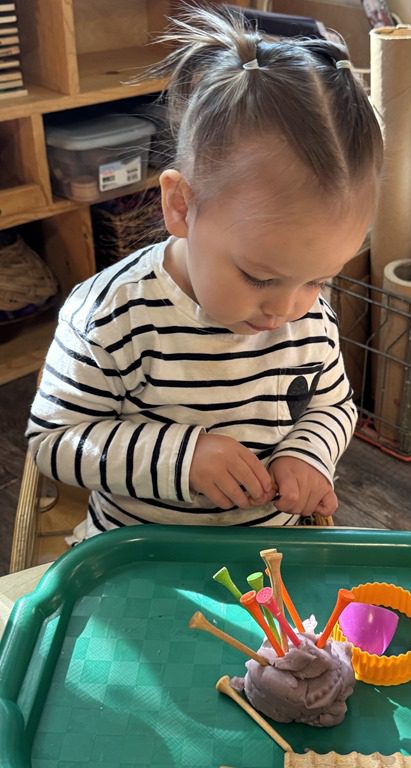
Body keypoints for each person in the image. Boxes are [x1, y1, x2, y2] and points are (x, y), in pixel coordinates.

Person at [26, 6, 383, 539]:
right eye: (260, 278)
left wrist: (307, 454)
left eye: (318, 279)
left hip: (272, 552)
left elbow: (332, 405)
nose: (287, 309)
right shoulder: (109, 314)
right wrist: (183, 457)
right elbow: (54, 442)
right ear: (181, 206)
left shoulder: (310, 318)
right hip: (140, 554)